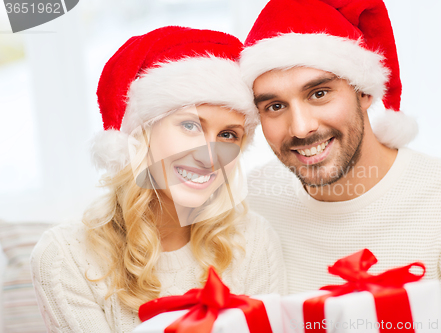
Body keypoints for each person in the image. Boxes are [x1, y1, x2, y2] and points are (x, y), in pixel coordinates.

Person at [239, 0, 441, 328]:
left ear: (364, 92)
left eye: (319, 94)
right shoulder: (251, 205)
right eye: (275, 106)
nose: (301, 127)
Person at [30, 26, 286, 332]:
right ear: (140, 136)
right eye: (190, 126)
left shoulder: (253, 240)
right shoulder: (65, 255)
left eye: (228, 135)